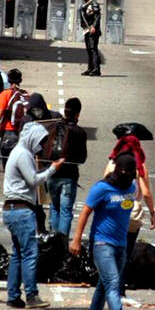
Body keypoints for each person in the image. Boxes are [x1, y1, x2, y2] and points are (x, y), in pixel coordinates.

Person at [70, 153, 138, 310]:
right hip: (102, 243)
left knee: (104, 284)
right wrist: (76, 239)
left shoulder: (132, 187)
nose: (130, 177)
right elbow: (85, 212)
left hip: (121, 244)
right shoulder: (102, 188)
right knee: (114, 282)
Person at [3, 123, 64, 309]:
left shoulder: (20, 152)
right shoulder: (22, 153)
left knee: (18, 254)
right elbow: (33, 180)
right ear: (32, 138)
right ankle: (31, 295)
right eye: (41, 141)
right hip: (21, 210)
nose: (42, 145)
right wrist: (53, 169)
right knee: (29, 253)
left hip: (12, 209)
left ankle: (13, 295)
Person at [103, 135, 155, 301]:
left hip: (112, 209)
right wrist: (153, 213)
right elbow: (146, 192)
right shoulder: (139, 165)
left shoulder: (113, 163)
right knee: (126, 250)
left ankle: (108, 285)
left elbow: (104, 183)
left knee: (110, 249)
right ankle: (120, 288)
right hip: (131, 212)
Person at [46, 98, 88, 237]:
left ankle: (52, 239)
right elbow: (82, 158)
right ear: (78, 114)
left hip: (52, 173)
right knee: (65, 211)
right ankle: (62, 243)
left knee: (54, 207)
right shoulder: (80, 132)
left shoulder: (54, 127)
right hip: (69, 177)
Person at [79, 0, 102, 76]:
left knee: (93, 49)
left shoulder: (93, 4)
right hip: (86, 29)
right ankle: (90, 68)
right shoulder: (84, 5)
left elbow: (97, 16)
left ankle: (96, 69)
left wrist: (94, 26)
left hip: (92, 30)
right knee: (89, 49)